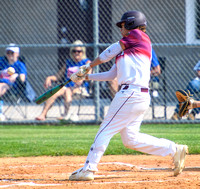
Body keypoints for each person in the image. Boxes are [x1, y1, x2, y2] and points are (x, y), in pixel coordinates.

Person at [68, 10, 188, 181]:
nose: (121, 28)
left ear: (132, 24)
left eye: (123, 25)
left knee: (105, 129)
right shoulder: (128, 49)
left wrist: (89, 65)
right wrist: (85, 77)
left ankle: (89, 168)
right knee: (130, 139)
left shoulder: (139, 36)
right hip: (135, 96)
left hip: (130, 94)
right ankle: (174, 149)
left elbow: (109, 51)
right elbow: (110, 75)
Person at [35, 40, 91, 121]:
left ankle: (65, 115)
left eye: (79, 51)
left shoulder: (86, 62)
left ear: (83, 52)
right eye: (74, 51)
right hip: (67, 86)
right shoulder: (68, 62)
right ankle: (43, 114)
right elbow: (57, 76)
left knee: (67, 90)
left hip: (80, 88)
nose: (76, 53)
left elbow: (88, 77)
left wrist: (79, 78)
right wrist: (49, 78)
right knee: (55, 92)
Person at [0, 44, 27, 119]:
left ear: (17, 54)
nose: (9, 55)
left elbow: (23, 79)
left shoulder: (20, 65)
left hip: (13, 88)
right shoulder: (2, 62)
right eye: (8, 53)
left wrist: (16, 75)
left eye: (12, 53)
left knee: (1, 86)